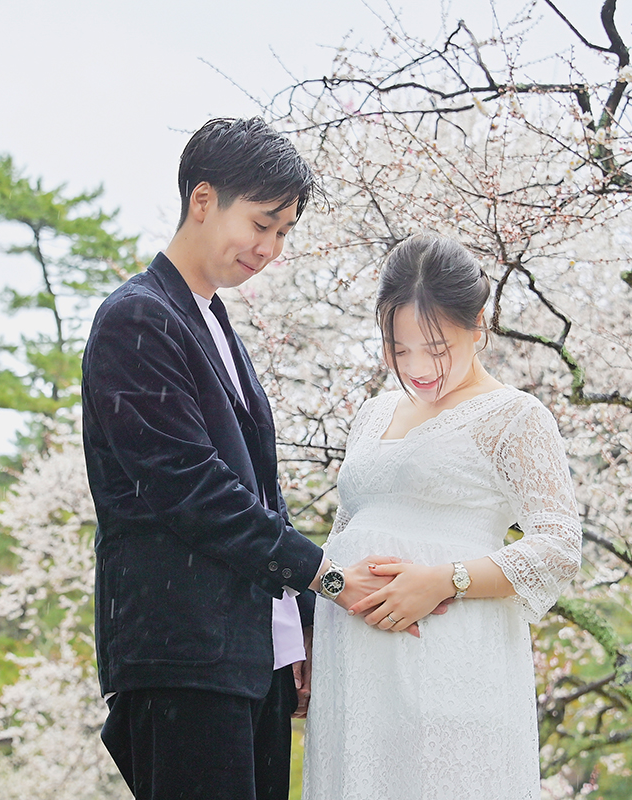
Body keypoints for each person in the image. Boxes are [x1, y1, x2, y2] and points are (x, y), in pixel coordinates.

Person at [81, 117, 399, 800]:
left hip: (253, 659)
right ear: (203, 199)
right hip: (183, 654)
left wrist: (299, 623)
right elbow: (192, 489)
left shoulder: (213, 321)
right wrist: (326, 577)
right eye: (261, 224)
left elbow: (260, 492)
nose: (269, 248)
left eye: (283, 232)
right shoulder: (137, 318)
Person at [301, 234, 583, 799]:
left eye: (436, 348)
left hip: (451, 659)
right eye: (398, 349)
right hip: (352, 666)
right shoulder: (373, 413)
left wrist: (443, 579)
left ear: (478, 324)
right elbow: (346, 529)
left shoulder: (514, 416)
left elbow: (558, 546)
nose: (418, 368)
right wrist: (310, 629)